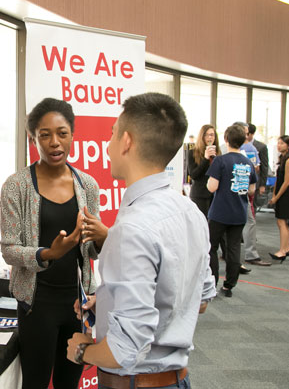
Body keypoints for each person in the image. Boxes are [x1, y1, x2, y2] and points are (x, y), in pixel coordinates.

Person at [65, 93, 215, 389]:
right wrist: (108, 303)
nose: (106, 147)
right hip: (176, 380)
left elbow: (125, 350)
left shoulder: (132, 229)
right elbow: (199, 301)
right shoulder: (191, 212)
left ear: (126, 142)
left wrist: (82, 351)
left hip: (134, 382)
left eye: (111, 135)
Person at [0, 97, 103, 389]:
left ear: (72, 134)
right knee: (35, 382)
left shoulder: (88, 186)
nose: (54, 142)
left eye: (62, 133)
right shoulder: (16, 186)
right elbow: (9, 249)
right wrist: (48, 253)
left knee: (69, 384)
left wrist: (104, 238)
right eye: (44, 135)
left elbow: (91, 248)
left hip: (77, 303)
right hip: (36, 304)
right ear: (33, 138)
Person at [207, 124, 257, 296]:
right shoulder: (248, 162)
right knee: (234, 248)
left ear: (226, 139)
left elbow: (212, 187)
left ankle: (212, 282)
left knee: (211, 247)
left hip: (220, 212)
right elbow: (251, 190)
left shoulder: (221, 160)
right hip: (239, 212)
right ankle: (229, 285)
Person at [239, 122, 271, 268]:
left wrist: (257, 186)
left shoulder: (251, 148)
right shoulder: (227, 150)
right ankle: (248, 254)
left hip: (244, 191)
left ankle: (249, 254)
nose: (247, 135)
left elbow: (258, 168)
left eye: (247, 132)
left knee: (248, 222)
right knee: (247, 222)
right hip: (238, 192)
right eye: (244, 132)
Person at [269, 136, 289, 262]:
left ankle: (284, 250)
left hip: (287, 194)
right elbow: (278, 181)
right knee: (281, 222)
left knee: (282, 222)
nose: (279, 145)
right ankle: (285, 249)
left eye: (282, 143)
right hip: (282, 192)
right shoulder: (283, 159)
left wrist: (276, 197)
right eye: (278, 143)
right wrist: (274, 195)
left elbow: (286, 182)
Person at [187, 124, 220, 217]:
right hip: (199, 195)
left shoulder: (218, 153)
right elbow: (193, 175)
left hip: (215, 196)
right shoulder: (193, 152)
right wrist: (205, 158)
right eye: (207, 135)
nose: (210, 137)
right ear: (202, 136)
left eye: (212, 135)